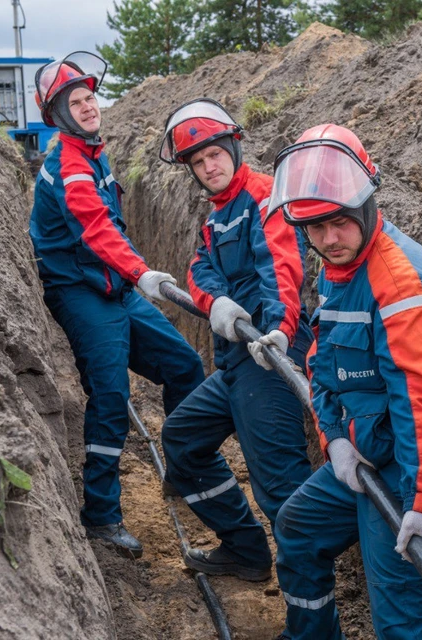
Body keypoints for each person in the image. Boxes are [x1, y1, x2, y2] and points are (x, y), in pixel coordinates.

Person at [268, 124, 422, 639]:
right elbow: (320, 362)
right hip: (365, 444)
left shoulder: (400, 282)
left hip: (418, 452)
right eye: (313, 228)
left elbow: (419, 401)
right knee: (298, 530)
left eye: (338, 223)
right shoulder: (336, 268)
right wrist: (334, 439)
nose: (327, 239)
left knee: (400, 611)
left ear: (364, 206)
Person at [29, 52, 205, 559]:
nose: (89, 107)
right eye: (76, 102)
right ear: (58, 115)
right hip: (81, 290)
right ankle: (102, 516)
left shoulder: (93, 152)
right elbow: (95, 227)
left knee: (185, 366)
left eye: (90, 98)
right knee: (110, 397)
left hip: (113, 284)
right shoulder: (69, 164)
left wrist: (130, 275)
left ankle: (182, 466)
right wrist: (140, 271)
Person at [156, 99, 314, 581]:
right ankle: (245, 548)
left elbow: (281, 267)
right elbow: (199, 269)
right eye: (199, 162)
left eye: (215, 154)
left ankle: (313, 620)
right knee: (182, 440)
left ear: (233, 147)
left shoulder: (265, 198)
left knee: (281, 490)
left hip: (267, 355)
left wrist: (280, 332)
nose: (209, 166)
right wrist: (215, 302)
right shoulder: (216, 216)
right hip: (234, 360)